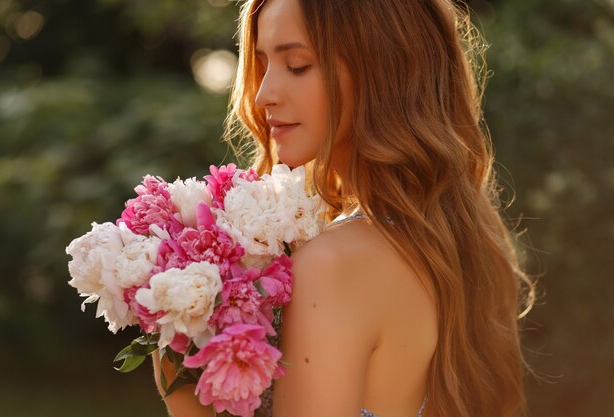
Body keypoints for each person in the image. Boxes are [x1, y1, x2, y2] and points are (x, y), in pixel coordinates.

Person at [152, 0, 537, 416]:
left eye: (297, 65)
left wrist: (178, 370)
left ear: (384, 71)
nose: (264, 95)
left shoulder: (331, 265)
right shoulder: (455, 236)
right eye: (263, 65)